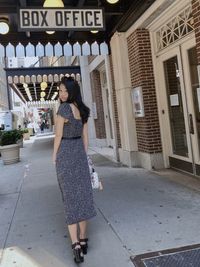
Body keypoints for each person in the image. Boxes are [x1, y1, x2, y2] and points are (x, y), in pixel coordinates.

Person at [52, 77, 96, 263]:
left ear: (72, 91)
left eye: (65, 91)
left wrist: (54, 156)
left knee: (70, 199)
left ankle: (76, 245)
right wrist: (84, 157)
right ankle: (84, 239)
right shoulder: (83, 110)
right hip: (79, 153)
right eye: (60, 91)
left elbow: (58, 135)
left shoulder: (63, 109)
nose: (62, 94)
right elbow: (86, 137)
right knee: (83, 196)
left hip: (66, 154)